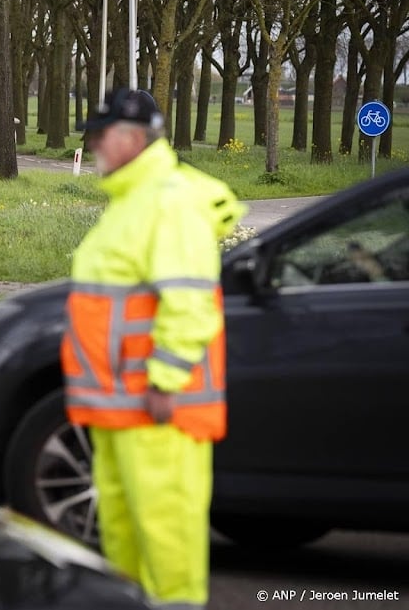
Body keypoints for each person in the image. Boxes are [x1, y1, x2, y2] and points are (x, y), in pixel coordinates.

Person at [61, 88, 246, 609]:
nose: (92, 144)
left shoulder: (169, 202)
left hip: (158, 410)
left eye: (100, 135)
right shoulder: (134, 201)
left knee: (167, 540)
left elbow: (190, 304)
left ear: (131, 138)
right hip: (121, 408)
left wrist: (166, 381)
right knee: (124, 540)